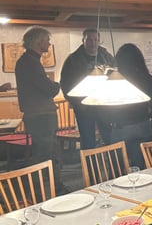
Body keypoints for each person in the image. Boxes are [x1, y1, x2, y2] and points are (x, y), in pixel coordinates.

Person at [15, 26, 68, 194]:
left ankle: (48, 187)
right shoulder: (29, 62)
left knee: (46, 152)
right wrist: (57, 85)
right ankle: (49, 189)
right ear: (38, 42)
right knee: (47, 153)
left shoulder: (29, 61)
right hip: (41, 116)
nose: (49, 43)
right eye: (47, 40)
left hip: (39, 114)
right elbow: (47, 88)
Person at [104, 43, 152, 169]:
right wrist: (148, 116)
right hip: (142, 125)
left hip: (120, 126)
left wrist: (109, 120)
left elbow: (104, 106)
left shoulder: (114, 80)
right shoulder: (146, 78)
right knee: (140, 168)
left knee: (118, 168)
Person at [60, 28, 115, 149]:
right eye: (89, 40)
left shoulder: (107, 57)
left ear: (99, 41)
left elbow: (115, 78)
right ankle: (89, 161)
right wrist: (76, 103)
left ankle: (113, 160)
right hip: (83, 106)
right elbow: (65, 83)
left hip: (104, 105)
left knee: (110, 137)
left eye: (95, 39)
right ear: (83, 40)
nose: (93, 43)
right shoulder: (73, 60)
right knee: (87, 139)